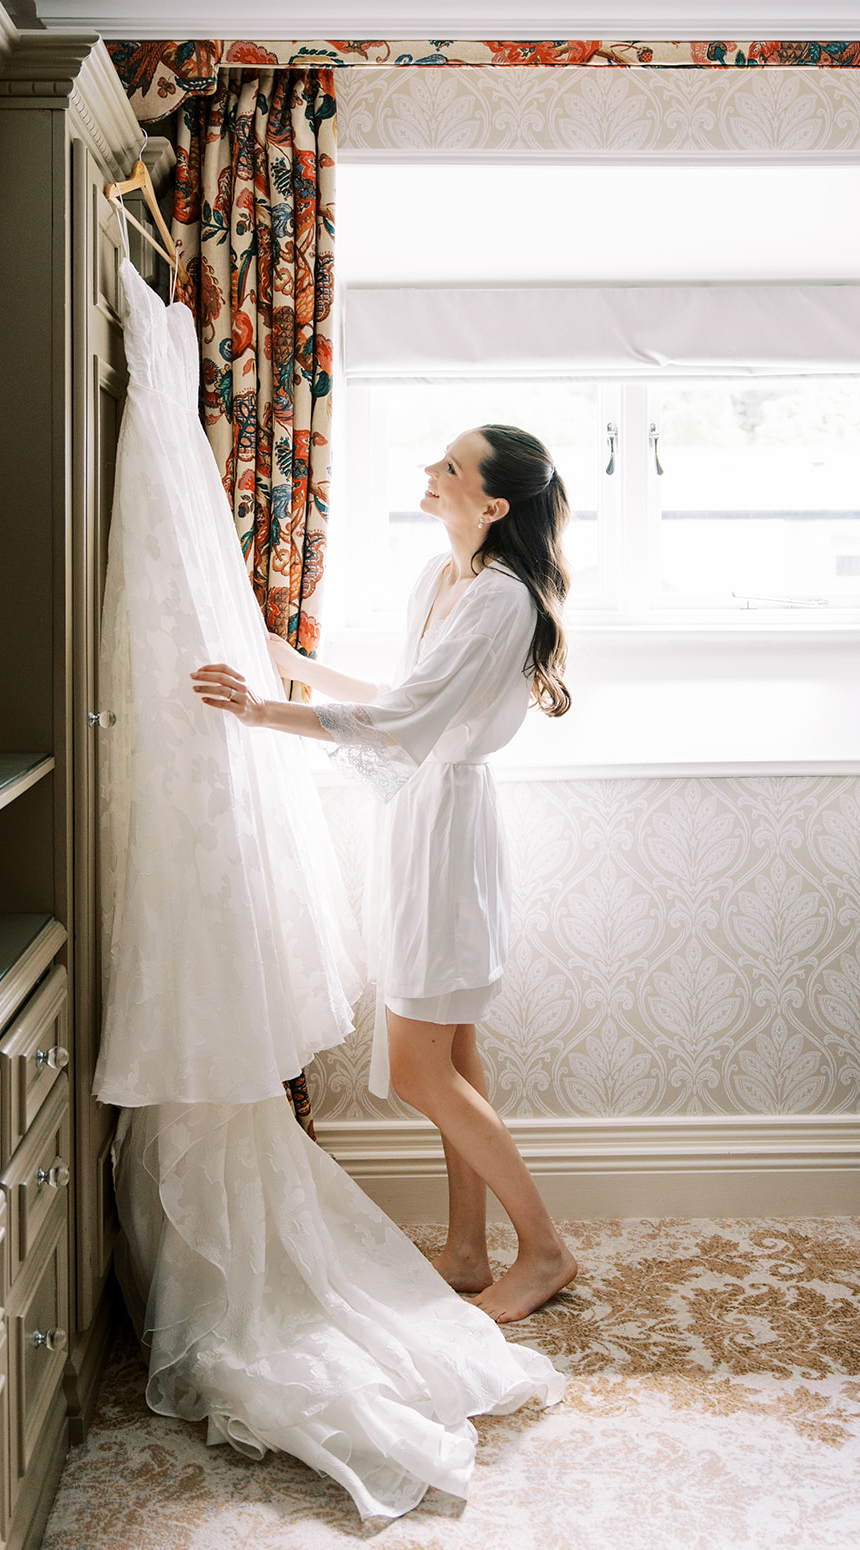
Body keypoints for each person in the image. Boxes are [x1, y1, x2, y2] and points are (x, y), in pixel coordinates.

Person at [191, 423, 579, 1323]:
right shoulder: (443, 580)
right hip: (422, 825)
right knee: (453, 1053)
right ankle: (468, 1249)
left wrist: (258, 713)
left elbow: (410, 720)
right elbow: (409, 695)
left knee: (417, 1068)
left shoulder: (501, 600)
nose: (429, 473)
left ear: (493, 504)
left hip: (446, 837)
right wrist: (300, 670)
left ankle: (546, 1251)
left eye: (450, 467)